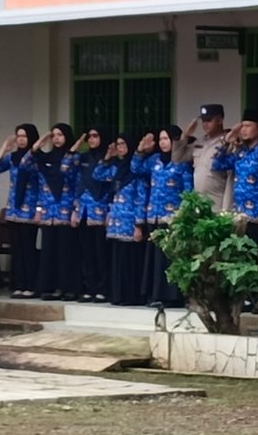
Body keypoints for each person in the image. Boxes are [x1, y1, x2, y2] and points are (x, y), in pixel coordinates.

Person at [137, 124, 192, 309]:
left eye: (166, 139)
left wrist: (184, 215)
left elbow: (188, 190)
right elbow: (136, 168)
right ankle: (155, 294)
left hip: (173, 219)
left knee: (170, 258)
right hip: (154, 216)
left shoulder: (182, 162)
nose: (163, 143)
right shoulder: (154, 161)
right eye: (160, 139)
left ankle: (173, 296)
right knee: (155, 258)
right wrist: (140, 151)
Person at [212, 111, 258, 269]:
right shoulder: (240, 154)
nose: (243, 130)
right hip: (240, 214)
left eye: (247, 126)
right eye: (242, 126)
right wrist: (226, 141)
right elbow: (217, 164)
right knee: (240, 257)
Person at [99, 132, 149, 307]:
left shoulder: (136, 172)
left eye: (123, 144)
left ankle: (131, 296)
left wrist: (139, 224)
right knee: (117, 260)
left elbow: (141, 198)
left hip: (130, 222)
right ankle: (117, 295)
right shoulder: (116, 168)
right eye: (118, 144)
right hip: (115, 221)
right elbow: (98, 176)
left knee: (130, 261)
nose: (120, 148)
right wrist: (107, 157)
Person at [32, 124, 79, 301]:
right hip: (47, 212)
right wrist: (40, 143)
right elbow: (39, 185)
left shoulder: (73, 158)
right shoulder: (46, 159)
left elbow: (77, 185)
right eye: (54, 135)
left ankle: (68, 288)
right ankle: (48, 287)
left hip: (65, 211)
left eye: (60, 135)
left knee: (66, 253)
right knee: (48, 252)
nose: (57, 138)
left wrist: (76, 209)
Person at [0, 124, 41, 298]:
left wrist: (39, 209)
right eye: (18, 136)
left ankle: (31, 285)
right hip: (14, 209)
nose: (21, 139)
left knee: (28, 249)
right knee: (17, 250)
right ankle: (19, 284)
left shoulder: (37, 158)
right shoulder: (12, 157)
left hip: (29, 209)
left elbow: (41, 184)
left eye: (24, 136)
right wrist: (4, 148)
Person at [71, 126, 113, 301]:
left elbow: (109, 185)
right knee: (86, 252)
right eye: (89, 137)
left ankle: (103, 289)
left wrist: (109, 211)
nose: (92, 139)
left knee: (100, 252)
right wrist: (78, 144)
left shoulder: (108, 158)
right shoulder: (83, 157)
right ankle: (90, 288)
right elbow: (67, 166)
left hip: (100, 209)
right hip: (83, 210)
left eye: (95, 136)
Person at [185, 103, 233, 213]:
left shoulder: (228, 143)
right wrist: (185, 135)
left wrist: (226, 210)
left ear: (220, 121)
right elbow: (178, 158)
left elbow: (230, 178)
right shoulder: (199, 142)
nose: (205, 124)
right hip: (200, 202)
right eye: (203, 121)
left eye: (209, 120)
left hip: (217, 201)